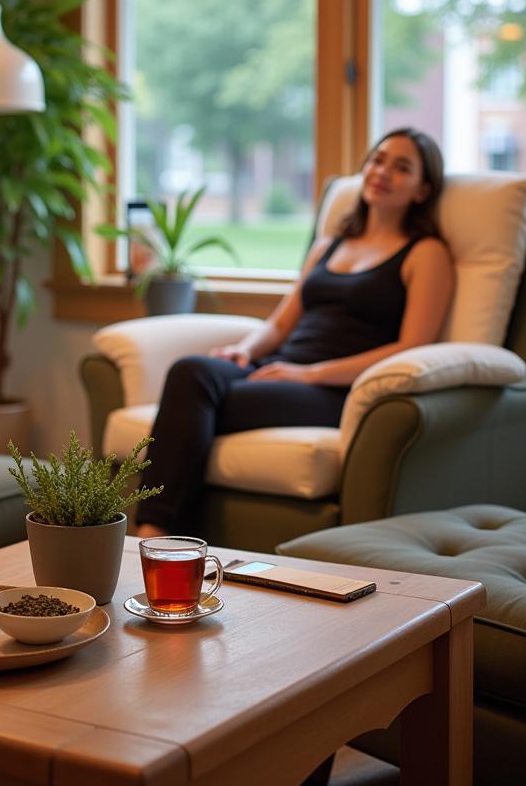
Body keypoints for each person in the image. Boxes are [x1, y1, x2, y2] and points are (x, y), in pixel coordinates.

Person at [135, 127, 455, 538]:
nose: (382, 172)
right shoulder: (330, 245)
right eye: (378, 159)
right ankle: (158, 535)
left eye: (402, 167)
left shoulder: (426, 253)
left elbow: (413, 347)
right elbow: (282, 323)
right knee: (190, 371)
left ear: (422, 190)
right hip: (283, 370)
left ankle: (154, 535)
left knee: (198, 407)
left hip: (337, 389)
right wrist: (243, 350)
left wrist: (311, 373)